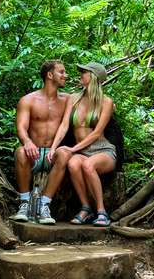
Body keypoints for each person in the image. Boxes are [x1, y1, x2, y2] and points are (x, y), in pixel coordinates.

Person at [47, 61, 116, 227]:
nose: (80, 75)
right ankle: (86, 208)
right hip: (82, 151)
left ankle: (101, 212)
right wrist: (53, 148)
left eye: (84, 72)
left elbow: (97, 133)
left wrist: (72, 149)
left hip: (102, 150)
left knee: (88, 165)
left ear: (93, 77)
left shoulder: (106, 102)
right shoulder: (73, 98)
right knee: (72, 164)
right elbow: (64, 125)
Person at [10, 59, 74, 224]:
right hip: (34, 153)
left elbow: (64, 125)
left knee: (65, 153)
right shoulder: (28, 100)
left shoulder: (67, 99)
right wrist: (27, 142)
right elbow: (21, 127)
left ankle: (44, 205)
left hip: (53, 154)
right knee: (20, 152)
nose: (65, 75)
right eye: (62, 72)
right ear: (50, 75)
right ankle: (24, 203)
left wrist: (54, 148)